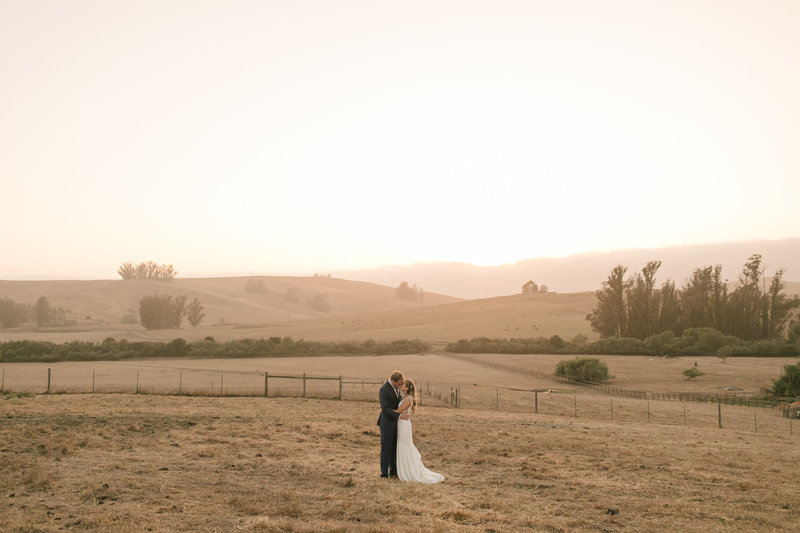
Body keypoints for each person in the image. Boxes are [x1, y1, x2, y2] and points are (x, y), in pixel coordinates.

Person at [394, 379, 444, 484]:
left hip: (404, 425)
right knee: (402, 445)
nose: (401, 385)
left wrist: (386, 410)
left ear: (407, 387)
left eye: (403, 384)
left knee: (405, 446)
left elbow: (398, 411)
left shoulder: (408, 399)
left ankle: (409, 471)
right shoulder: (404, 397)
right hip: (401, 423)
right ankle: (404, 469)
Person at [377, 371, 408, 478]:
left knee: (395, 448)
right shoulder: (384, 390)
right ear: (393, 381)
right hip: (386, 424)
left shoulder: (397, 389)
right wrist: (399, 416)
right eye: (399, 383)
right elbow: (385, 409)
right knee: (386, 448)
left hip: (397, 424)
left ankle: (394, 472)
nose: (400, 385)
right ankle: (384, 473)